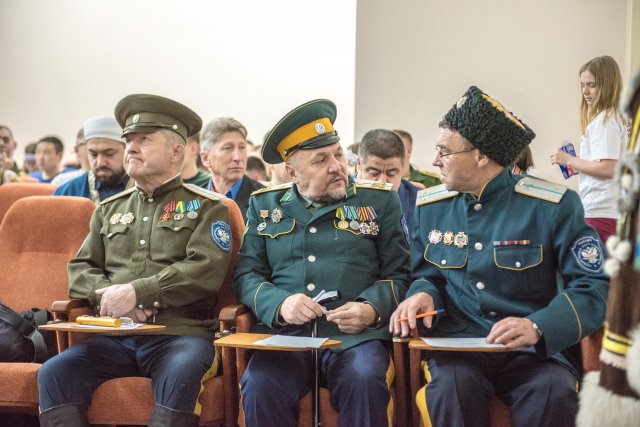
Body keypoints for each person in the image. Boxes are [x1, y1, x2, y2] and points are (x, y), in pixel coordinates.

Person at [390, 86, 609, 427]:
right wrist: (421, 294)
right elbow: (427, 275)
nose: (434, 161)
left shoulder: (552, 207)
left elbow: (593, 287)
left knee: (552, 391)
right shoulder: (432, 208)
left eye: (444, 151)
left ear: (481, 156)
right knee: (451, 390)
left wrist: (539, 326)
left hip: (534, 351)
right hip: (460, 348)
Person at [37, 94, 233, 427]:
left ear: (176, 152)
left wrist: (138, 293)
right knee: (55, 371)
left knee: (181, 372)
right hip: (116, 337)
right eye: (129, 140)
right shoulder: (109, 209)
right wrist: (115, 298)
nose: (131, 148)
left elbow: (204, 269)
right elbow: (80, 270)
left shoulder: (208, 207)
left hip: (180, 334)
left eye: (144, 140)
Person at [234, 99, 410, 427]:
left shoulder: (380, 200)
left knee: (365, 378)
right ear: (292, 172)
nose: (337, 167)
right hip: (287, 335)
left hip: (355, 337)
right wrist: (280, 304)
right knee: (260, 384)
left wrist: (370, 309)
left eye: (338, 155)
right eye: (321, 160)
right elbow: (247, 274)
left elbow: (400, 274)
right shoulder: (265, 205)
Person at [551, 55, 629, 245]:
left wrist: (568, 159)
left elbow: (608, 168)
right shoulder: (614, 118)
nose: (585, 91)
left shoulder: (606, 121)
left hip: (601, 211)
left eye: (592, 85)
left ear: (608, 85)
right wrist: (580, 163)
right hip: (609, 211)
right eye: (582, 85)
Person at [356, 128, 420, 235]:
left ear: (402, 168)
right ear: (358, 165)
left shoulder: (418, 202)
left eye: (391, 173)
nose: (382, 182)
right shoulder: (339, 194)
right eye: (374, 172)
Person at [53, 116, 131, 203]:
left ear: (127, 151)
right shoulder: (68, 193)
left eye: (109, 153)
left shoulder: (141, 189)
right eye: (93, 154)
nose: (100, 162)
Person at [200, 116, 264, 220]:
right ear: (205, 158)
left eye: (242, 148)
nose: (237, 157)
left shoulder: (264, 200)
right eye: (228, 148)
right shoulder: (193, 199)